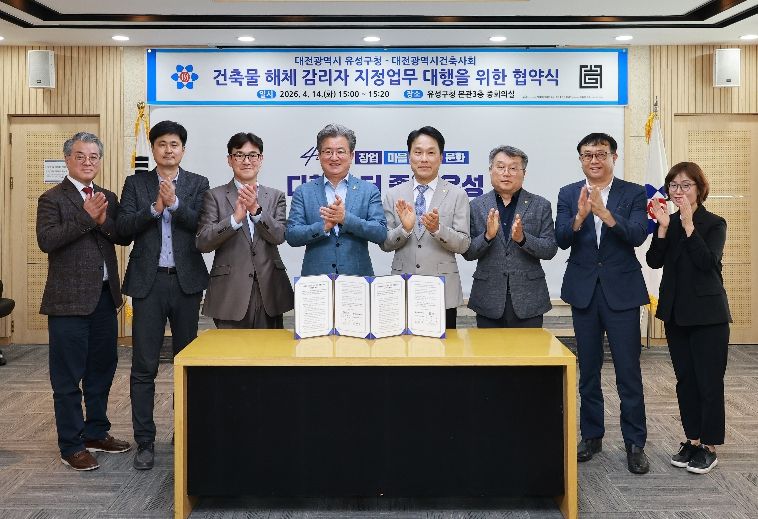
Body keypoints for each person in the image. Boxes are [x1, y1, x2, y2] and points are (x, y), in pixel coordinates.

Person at [555, 132, 650, 474]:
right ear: (581, 159)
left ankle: (635, 443)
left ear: (614, 157)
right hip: (584, 292)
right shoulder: (568, 193)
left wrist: (606, 214)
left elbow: (638, 234)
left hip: (622, 292)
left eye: (600, 154)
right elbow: (560, 239)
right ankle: (592, 436)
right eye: (587, 155)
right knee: (589, 371)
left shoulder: (633, 192)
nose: (594, 160)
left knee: (628, 372)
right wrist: (580, 216)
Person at [117, 120, 210, 470]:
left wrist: (175, 205)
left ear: (183, 149)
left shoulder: (198, 183)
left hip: (186, 283)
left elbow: (203, 227)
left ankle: (186, 432)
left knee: (187, 363)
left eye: (174, 144)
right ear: (153, 148)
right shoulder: (136, 183)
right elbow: (123, 230)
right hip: (148, 283)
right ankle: (145, 441)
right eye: (162, 144)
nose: (168, 150)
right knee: (144, 366)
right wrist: (155, 209)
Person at [36, 132, 132, 471]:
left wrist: (103, 220)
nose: (87, 162)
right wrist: (85, 217)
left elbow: (121, 236)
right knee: (67, 379)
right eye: (80, 156)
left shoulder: (107, 197)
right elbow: (46, 240)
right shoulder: (52, 198)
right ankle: (71, 445)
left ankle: (96, 432)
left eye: (93, 156)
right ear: (68, 159)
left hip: (105, 300)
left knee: (101, 372)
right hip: (68, 303)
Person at [646, 162, 730, 475]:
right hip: (676, 314)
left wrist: (689, 224)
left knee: (709, 382)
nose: (679, 191)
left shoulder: (714, 223)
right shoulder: (668, 223)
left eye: (686, 185)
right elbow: (653, 261)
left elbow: (707, 263)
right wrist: (663, 228)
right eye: (674, 185)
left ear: (699, 189)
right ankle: (692, 440)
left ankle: (709, 446)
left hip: (708, 316)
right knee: (686, 381)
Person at [196, 132, 294, 328]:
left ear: (261, 159)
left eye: (252, 155)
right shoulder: (214, 196)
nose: (246, 161)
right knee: (231, 348)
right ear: (230, 160)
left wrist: (256, 212)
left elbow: (279, 235)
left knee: (270, 347)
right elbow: (203, 242)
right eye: (239, 155)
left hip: (269, 290)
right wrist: (234, 219)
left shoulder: (276, 196)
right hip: (230, 292)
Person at [379, 126, 470, 328]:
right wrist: (404, 229)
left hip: (442, 291)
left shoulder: (457, 195)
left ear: (441, 157)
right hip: (403, 287)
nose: (424, 159)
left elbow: (464, 244)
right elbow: (385, 243)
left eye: (431, 153)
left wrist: (438, 229)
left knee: (445, 347)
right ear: (409, 156)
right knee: (404, 346)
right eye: (418, 152)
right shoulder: (394, 195)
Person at [463, 145, 557, 328]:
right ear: (490, 170)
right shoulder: (476, 206)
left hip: (529, 299)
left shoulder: (540, 205)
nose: (506, 173)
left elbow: (550, 249)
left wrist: (523, 239)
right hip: (488, 298)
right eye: (500, 167)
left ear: (524, 173)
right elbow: (468, 252)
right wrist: (487, 236)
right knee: (488, 348)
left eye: (513, 168)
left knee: (530, 348)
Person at [286, 123, 387, 276]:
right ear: (319, 155)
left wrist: (345, 219)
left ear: (351, 155)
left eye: (340, 151)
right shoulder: (303, 192)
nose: (334, 157)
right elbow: (292, 235)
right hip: (316, 280)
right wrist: (323, 226)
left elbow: (380, 232)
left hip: (357, 278)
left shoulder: (369, 190)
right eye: (328, 152)